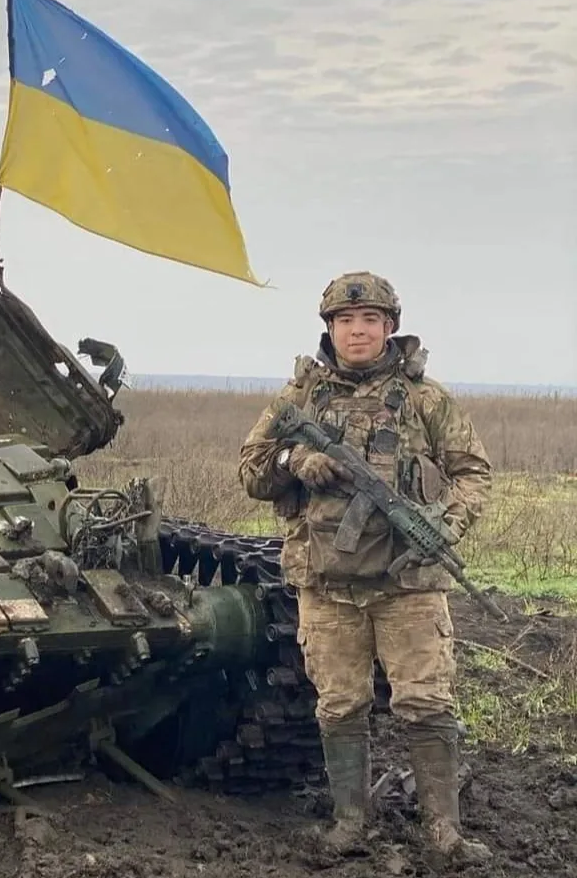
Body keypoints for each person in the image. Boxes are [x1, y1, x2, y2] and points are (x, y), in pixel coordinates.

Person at [238, 271, 493, 864]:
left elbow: (473, 473)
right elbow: (252, 469)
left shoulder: (427, 399)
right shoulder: (299, 398)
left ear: (389, 327)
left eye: (370, 320)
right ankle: (349, 823)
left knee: (427, 702)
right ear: (330, 328)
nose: (358, 331)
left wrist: (446, 527)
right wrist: (294, 459)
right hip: (326, 584)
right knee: (339, 704)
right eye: (346, 321)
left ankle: (444, 832)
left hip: (408, 584)